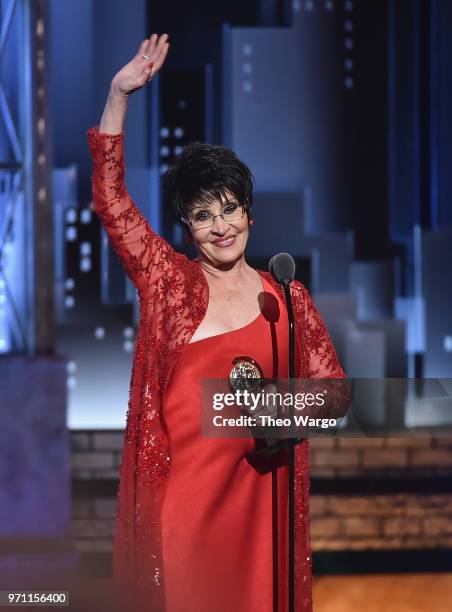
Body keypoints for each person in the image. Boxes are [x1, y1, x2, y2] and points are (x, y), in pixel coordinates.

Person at [87, 33, 345, 612]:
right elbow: (111, 200)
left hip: (261, 507)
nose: (220, 225)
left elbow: (333, 394)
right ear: (187, 225)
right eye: (203, 214)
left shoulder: (286, 296)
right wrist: (118, 95)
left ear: (249, 212)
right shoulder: (169, 282)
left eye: (229, 208)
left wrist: (264, 406)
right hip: (186, 511)